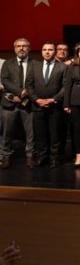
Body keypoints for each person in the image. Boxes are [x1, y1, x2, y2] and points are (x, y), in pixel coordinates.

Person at [26, 41, 67, 168]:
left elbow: (65, 87)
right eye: (45, 50)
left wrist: (53, 99)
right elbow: (29, 85)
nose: (47, 52)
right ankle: (42, 157)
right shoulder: (34, 66)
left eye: (50, 49)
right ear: (41, 52)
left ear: (55, 51)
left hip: (55, 106)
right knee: (40, 134)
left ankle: (54, 158)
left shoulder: (63, 67)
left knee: (55, 134)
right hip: (38, 105)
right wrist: (36, 99)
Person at [0, 38, 35, 168]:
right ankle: (6, 157)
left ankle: (30, 157)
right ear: (14, 48)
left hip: (28, 104)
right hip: (9, 103)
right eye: (18, 46)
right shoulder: (7, 64)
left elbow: (37, 83)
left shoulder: (35, 64)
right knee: (6, 133)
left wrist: (26, 95)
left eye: (24, 46)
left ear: (29, 48)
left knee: (31, 133)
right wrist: (19, 92)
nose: (21, 48)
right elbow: (5, 81)